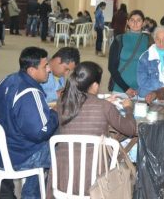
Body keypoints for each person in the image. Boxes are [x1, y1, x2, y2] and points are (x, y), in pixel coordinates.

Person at [46, 61, 136, 197]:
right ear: (94, 85)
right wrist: (128, 108)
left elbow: (82, 102)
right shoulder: (104, 106)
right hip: (95, 179)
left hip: (63, 175)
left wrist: (103, 101)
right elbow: (130, 129)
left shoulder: (62, 102)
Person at [0, 47, 59, 198]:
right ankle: (32, 194)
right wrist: (56, 112)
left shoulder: (8, 79)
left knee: (45, 144)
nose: (49, 69)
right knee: (60, 147)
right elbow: (41, 132)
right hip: (17, 156)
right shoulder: (30, 92)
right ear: (31, 70)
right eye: (45, 66)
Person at [108, 9, 150, 98]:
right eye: (132, 20)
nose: (135, 23)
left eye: (138, 20)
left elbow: (152, 67)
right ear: (128, 22)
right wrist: (126, 88)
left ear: (143, 23)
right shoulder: (119, 40)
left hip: (141, 90)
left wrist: (145, 87)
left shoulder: (149, 41)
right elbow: (111, 67)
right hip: (120, 89)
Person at [137, 25, 164, 98]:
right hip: (147, 96)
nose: (161, 42)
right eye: (158, 39)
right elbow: (142, 81)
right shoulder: (145, 57)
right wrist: (161, 89)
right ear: (154, 39)